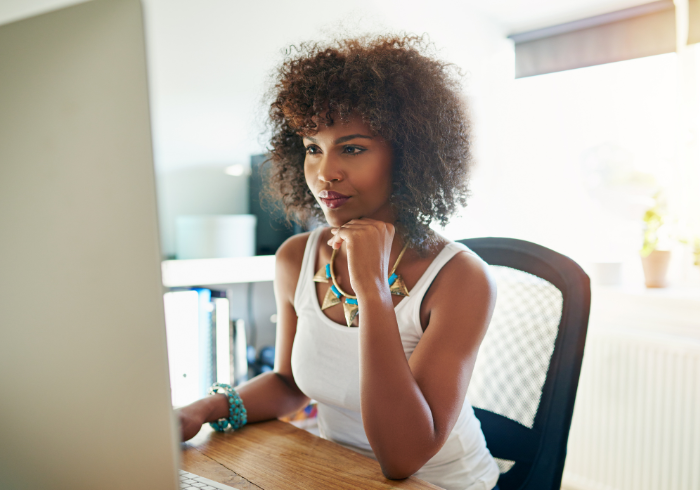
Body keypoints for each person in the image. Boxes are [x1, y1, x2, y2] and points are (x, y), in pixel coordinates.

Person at [178, 34, 500, 490]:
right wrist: (199, 410)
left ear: (408, 157)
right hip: (335, 471)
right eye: (312, 147)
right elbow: (290, 383)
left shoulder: (461, 278)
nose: (325, 172)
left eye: (351, 148)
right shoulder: (297, 257)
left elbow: (402, 458)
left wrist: (373, 290)